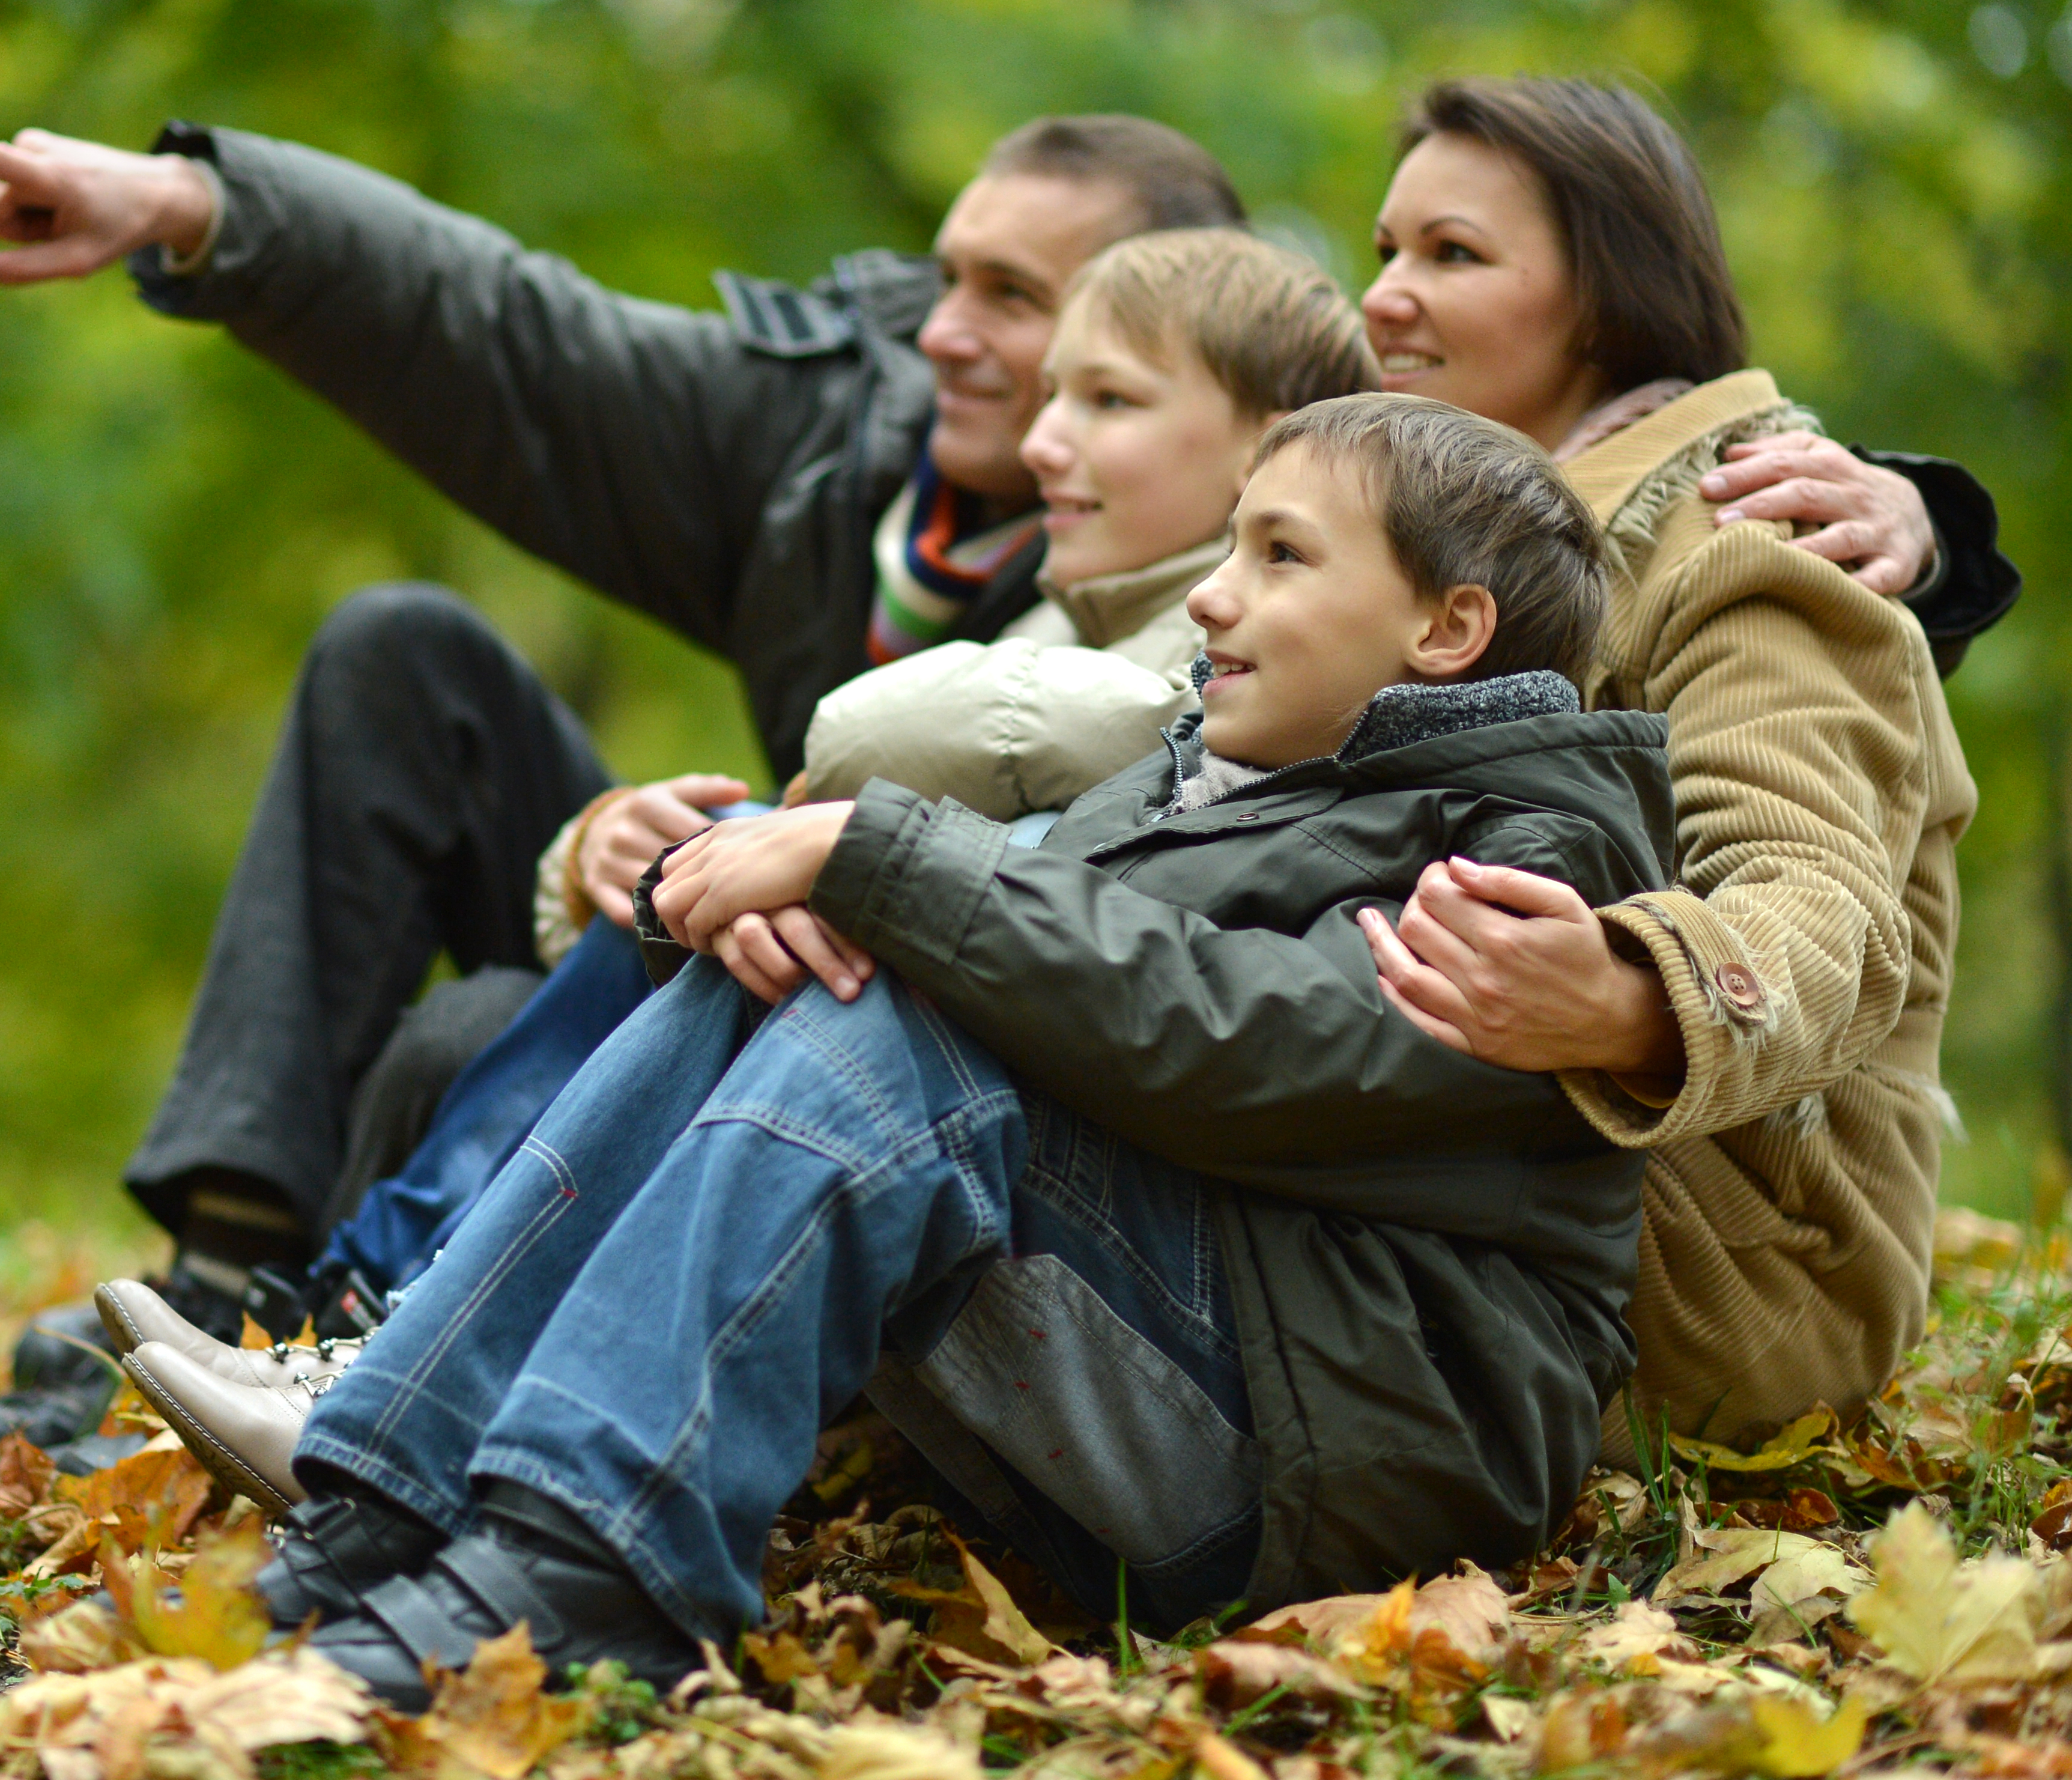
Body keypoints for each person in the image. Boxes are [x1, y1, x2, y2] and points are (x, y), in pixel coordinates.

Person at [0, 103, 1998, 1445]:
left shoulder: (1469, 539)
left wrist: (1917, 521)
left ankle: (445, 1377)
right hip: (1001, 974)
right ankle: (304, 1322)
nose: (967, 347)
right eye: (957, 290)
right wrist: (207, 207)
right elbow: (508, 336)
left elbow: (1778, 810)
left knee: (781, 997)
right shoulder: (838, 429)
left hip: (1477, 1167)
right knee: (456, 776)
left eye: (1066, 329)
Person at [112, 392, 1673, 1705]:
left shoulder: (1531, 854)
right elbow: (1026, 946)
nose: (1210, 597)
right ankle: (396, 1480)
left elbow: (1249, 1049)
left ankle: (585, 1570)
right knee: (828, 952)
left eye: (1279, 557)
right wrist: (751, 904)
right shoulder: (1220, 774)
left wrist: (881, 865)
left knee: (901, 973)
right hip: (1196, 1356)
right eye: (1227, 549)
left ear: (1448, 628)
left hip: (1333, 1448)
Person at [122, 225, 1384, 1499]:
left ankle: (381, 1332)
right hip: (940, 1064)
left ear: (1272, 438)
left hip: (1015, 1145)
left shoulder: (1223, 650)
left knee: (708, 896)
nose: (1045, 439)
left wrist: (797, 828)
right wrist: (608, 859)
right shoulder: (1068, 607)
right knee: (665, 891)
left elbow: (909, 750)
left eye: (1103, 398)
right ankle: (363, 1325)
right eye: (1053, 391)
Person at [1322, 76, 1991, 1454]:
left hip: (1737, 1264)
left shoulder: (1751, 534)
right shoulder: (1444, 529)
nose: (1383, 293)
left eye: (1451, 253)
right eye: (1384, 248)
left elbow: (1819, 906)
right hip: (1511, 1162)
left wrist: (1633, 996)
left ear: (1607, 294)